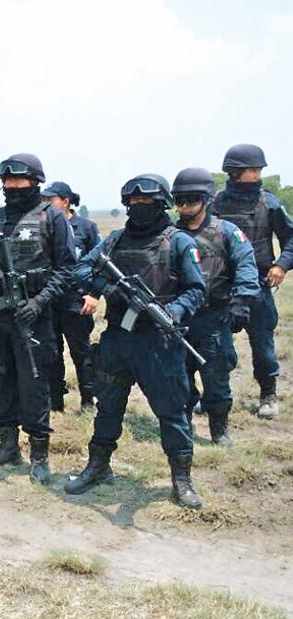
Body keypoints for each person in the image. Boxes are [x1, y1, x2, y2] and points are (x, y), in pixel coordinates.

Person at [65, 174, 206, 509]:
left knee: (172, 412)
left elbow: (197, 289)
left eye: (147, 203)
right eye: (134, 203)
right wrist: (111, 290)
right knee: (108, 407)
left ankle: (181, 479)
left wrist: (171, 311)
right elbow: (81, 271)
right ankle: (98, 466)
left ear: (161, 205)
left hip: (159, 342)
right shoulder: (114, 242)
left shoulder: (179, 242)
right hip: (118, 339)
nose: (139, 208)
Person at [0, 154, 75, 485]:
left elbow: (67, 268)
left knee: (34, 382)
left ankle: (39, 454)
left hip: (34, 316)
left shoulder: (51, 218)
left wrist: (40, 302)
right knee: (1, 377)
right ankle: (7, 445)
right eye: (7, 181)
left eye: (19, 181)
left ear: (35, 182)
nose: (12, 187)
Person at [172, 168, 258, 446]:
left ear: (206, 200)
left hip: (213, 316)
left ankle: (219, 429)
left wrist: (241, 302)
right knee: (178, 379)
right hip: (177, 318)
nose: (184, 207)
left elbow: (246, 265)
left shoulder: (226, 232)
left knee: (217, 379)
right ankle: (183, 426)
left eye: (191, 200)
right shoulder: (168, 234)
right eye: (179, 201)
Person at [211, 144, 293, 419]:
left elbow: (291, 239)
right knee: (217, 345)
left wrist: (282, 265)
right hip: (222, 285)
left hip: (257, 284)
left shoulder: (268, 203)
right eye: (254, 170)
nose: (259, 176)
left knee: (262, 344)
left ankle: (268, 395)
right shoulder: (216, 204)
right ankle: (214, 395)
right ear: (234, 173)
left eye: (259, 170)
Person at [41, 181, 101, 411]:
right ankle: (55, 400)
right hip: (49, 298)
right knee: (51, 350)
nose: (46, 205)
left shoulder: (86, 227)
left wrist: (94, 293)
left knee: (81, 351)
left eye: (51, 200)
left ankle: (88, 399)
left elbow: (100, 262)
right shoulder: (41, 224)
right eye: (44, 201)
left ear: (65, 201)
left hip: (76, 300)